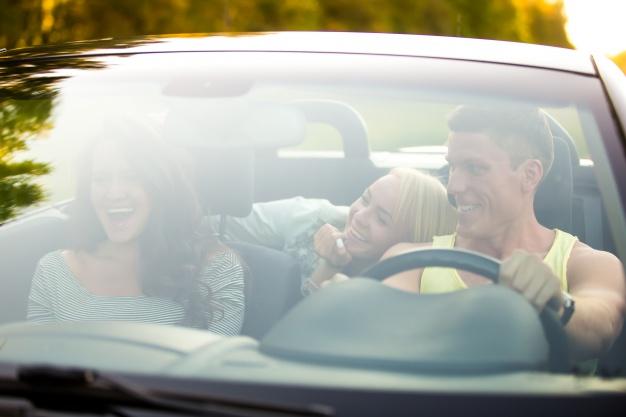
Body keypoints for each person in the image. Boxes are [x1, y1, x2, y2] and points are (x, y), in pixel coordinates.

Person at [383, 105, 626, 364]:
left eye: (475, 168)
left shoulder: (589, 264)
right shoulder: (410, 260)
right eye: (452, 167)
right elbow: (382, 331)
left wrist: (556, 303)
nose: (453, 186)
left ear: (529, 175)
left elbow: (601, 330)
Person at [27, 118, 245, 335]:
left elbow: (213, 366)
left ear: (162, 185)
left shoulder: (215, 268)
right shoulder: (54, 271)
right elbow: (36, 363)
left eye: (132, 177)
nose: (114, 193)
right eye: (101, 179)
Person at [216, 168, 457, 295]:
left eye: (382, 219)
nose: (360, 216)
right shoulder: (312, 217)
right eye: (364, 199)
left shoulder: (411, 285)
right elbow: (217, 223)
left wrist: (329, 267)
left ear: (411, 242)